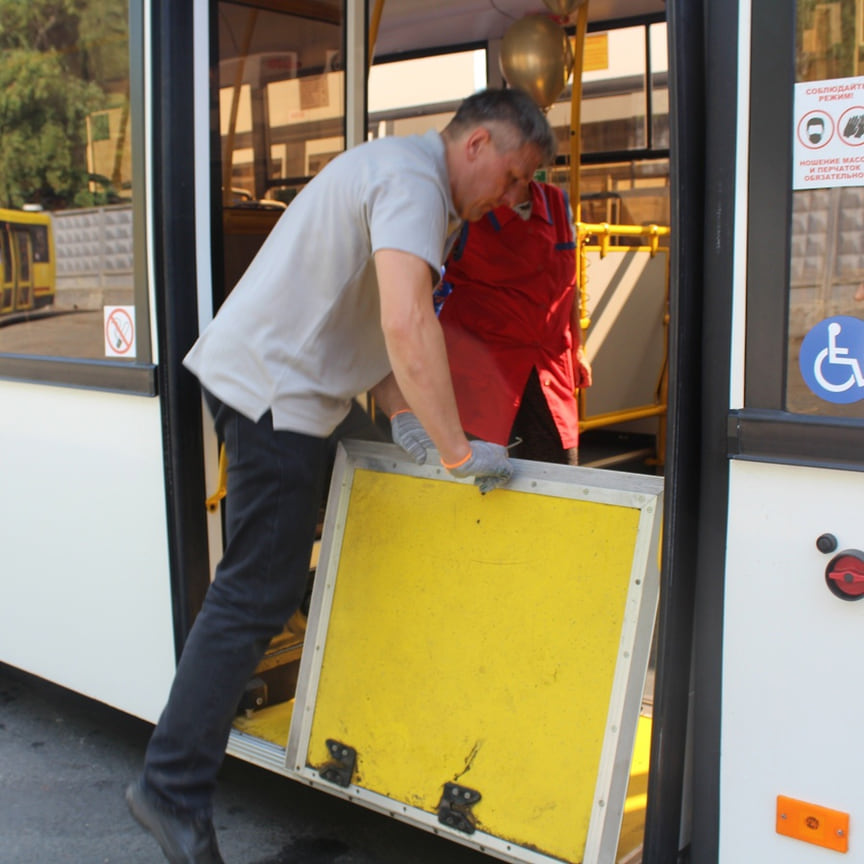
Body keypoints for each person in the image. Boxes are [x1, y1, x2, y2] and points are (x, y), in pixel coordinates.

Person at [125, 87, 556, 864]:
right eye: (517, 177)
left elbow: (374, 333)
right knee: (251, 594)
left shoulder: (414, 182)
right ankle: (170, 788)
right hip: (277, 396)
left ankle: (344, 671)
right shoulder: (413, 183)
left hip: (295, 389)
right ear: (478, 145)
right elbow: (404, 322)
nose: (514, 199)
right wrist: (456, 450)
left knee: (374, 505)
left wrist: (406, 428)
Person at [437, 179, 592, 465]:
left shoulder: (557, 202)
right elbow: (423, 282)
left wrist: (578, 350)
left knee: (558, 478)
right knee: (481, 482)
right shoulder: (462, 206)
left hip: (548, 367)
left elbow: (569, 283)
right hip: (482, 371)